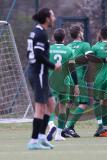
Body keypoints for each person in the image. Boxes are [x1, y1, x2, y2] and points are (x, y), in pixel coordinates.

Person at [26, 8, 61, 150]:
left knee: (51, 104)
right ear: (47, 18)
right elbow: (39, 55)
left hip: (40, 73)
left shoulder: (38, 31)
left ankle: (41, 137)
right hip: (38, 73)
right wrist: (54, 66)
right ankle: (34, 141)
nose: (54, 17)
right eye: (52, 15)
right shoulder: (40, 33)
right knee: (40, 108)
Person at [47, 28, 79, 141]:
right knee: (62, 108)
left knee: (49, 106)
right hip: (64, 83)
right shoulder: (69, 50)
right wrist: (76, 85)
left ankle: (51, 125)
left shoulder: (48, 49)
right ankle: (58, 135)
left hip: (50, 82)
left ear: (53, 38)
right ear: (64, 38)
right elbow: (73, 70)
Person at [61, 25, 91, 138]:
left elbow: (67, 62)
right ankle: (69, 126)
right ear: (79, 33)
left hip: (68, 77)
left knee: (68, 103)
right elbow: (89, 57)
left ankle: (63, 128)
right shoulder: (85, 45)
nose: (83, 33)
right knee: (83, 104)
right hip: (79, 78)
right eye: (82, 31)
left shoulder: (68, 46)